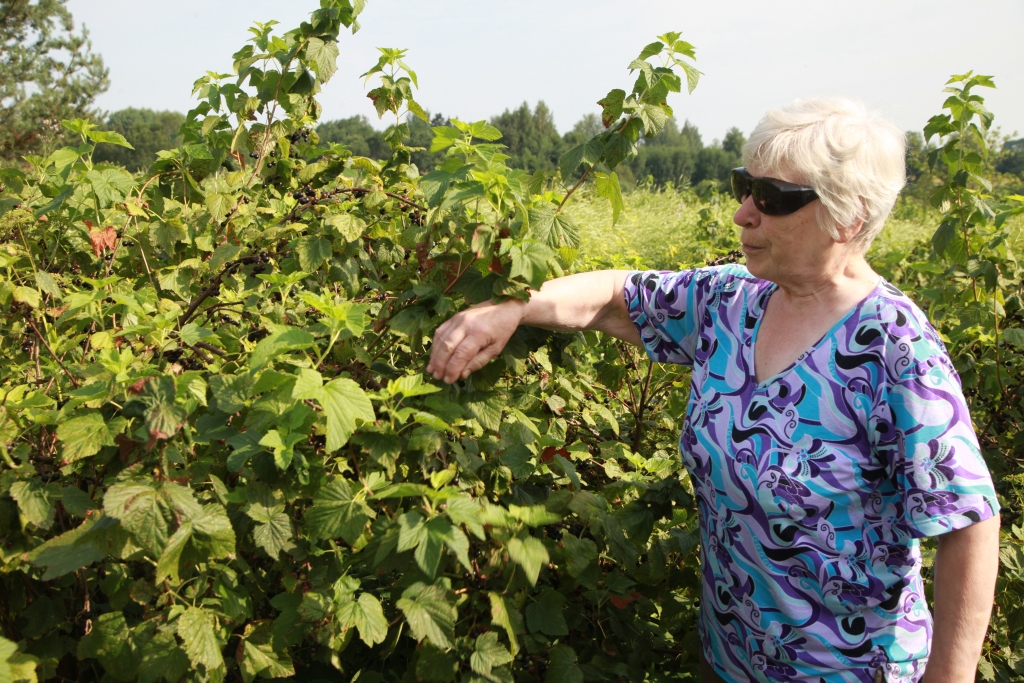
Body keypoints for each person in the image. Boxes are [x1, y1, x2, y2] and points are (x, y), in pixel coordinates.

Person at [425, 98, 1000, 683]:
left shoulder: (893, 348)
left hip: (846, 670)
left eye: (771, 199)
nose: (743, 214)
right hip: (728, 655)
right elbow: (618, 297)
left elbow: (969, 521)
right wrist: (513, 306)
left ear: (848, 219)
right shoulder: (733, 301)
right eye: (743, 186)